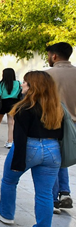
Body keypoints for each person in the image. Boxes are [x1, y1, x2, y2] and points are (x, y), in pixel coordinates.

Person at [0, 71, 63, 227]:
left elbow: (20, 136)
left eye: (25, 83)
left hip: (29, 146)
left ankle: (6, 214)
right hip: (53, 149)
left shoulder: (24, 108)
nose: (22, 85)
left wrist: (18, 161)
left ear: (33, 87)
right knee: (45, 193)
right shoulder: (57, 107)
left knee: (9, 181)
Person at [47, 42, 76, 211]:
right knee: (62, 159)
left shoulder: (47, 75)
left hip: (55, 124)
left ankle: (53, 200)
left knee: (53, 160)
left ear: (54, 56)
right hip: (74, 125)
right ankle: (64, 191)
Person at [0, 68, 21, 148]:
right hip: (13, 103)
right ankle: (10, 141)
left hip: (2, 103)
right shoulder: (18, 83)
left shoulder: (0, 84)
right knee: (11, 123)